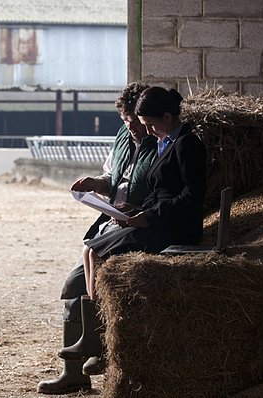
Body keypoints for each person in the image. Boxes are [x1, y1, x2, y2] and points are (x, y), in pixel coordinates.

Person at [57, 87, 207, 364]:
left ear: (166, 116)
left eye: (148, 124)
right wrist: (136, 209)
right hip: (157, 217)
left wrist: (150, 215)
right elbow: (158, 191)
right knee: (90, 251)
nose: (146, 131)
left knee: (99, 255)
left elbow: (191, 196)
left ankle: (100, 335)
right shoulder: (167, 142)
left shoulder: (188, 144)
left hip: (174, 226)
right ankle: (93, 333)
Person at [37, 81, 158, 394]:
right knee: (73, 286)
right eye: (125, 121)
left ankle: (105, 350)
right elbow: (113, 178)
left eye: (135, 121)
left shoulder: (161, 144)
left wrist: (137, 208)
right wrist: (96, 184)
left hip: (136, 225)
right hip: (110, 222)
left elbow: (163, 193)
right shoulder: (122, 138)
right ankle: (73, 371)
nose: (131, 127)